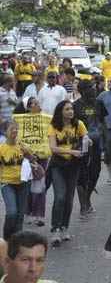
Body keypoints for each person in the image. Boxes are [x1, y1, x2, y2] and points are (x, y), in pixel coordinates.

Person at [48, 100, 88, 247]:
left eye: (71, 109)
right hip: (58, 165)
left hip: (74, 166)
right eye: (67, 109)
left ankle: (64, 227)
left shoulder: (79, 125)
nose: (71, 111)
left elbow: (86, 139)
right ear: (61, 112)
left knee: (69, 199)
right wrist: (71, 151)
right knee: (59, 197)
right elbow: (53, 148)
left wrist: (87, 143)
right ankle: (55, 229)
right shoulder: (53, 127)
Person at [72, 80, 102, 218]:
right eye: (91, 87)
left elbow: (103, 123)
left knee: (95, 173)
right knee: (81, 175)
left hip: (97, 145)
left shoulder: (98, 103)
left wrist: (107, 143)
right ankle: (83, 206)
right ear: (83, 90)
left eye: (94, 87)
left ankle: (87, 198)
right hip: (81, 146)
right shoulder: (75, 106)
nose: (94, 89)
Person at [0, 121, 32, 239]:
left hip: (24, 183)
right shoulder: (2, 148)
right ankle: (6, 239)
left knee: (20, 215)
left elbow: (33, 159)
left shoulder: (22, 146)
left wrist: (27, 153)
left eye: (16, 129)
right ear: (5, 132)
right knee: (12, 213)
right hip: (7, 184)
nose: (14, 131)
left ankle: (17, 242)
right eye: (11, 129)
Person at [22, 97, 50, 228]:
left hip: (41, 157)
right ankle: (27, 213)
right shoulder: (21, 122)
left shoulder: (46, 120)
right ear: (27, 107)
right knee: (27, 185)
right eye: (34, 103)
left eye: (39, 103)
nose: (38, 105)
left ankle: (39, 215)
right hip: (26, 158)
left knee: (40, 186)